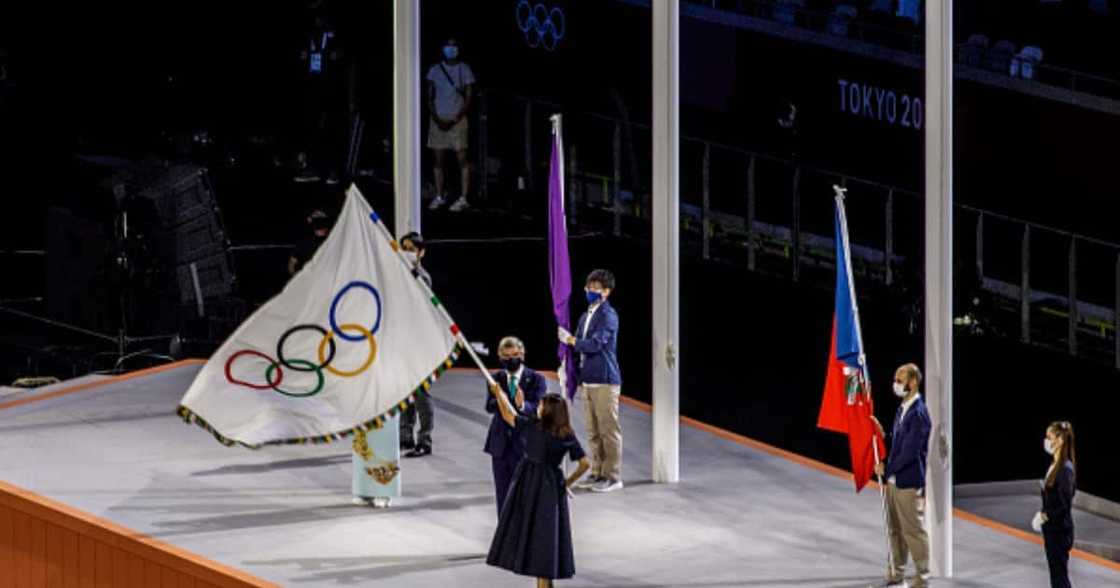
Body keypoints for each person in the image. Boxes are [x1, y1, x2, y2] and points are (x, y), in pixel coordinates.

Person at [486, 385, 590, 587]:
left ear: (547, 411)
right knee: (547, 539)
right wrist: (566, 482)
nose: (538, 407)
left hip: (529, 484)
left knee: (534, 537)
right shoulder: (566, 433)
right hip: (552, 487)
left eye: (541, 405)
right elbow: (586, 463)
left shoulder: (533, 426)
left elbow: (508, 415)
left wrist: (498, 393)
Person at [558, 269, 623, 493]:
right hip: (588, 380)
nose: (590, 290)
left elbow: (595, 345)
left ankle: (612, 476)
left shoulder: (608, 316)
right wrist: (566, 366)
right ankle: (597, 472)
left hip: (605, 380)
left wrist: (572, 340)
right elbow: (576, 346)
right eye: (589, 286)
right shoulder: (586, 316)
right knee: (593, 431)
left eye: (596, 288)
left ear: (607, 292)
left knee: (608, 431)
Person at [872, 363, 932, 588]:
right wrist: (882, 434)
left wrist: (886, 469)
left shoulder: (918, 414)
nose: (896, 384)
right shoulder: (902, 409)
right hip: (894, 482)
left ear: (913, 382)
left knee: (913, 530)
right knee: (895, 528)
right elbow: (898, 444)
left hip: (908, 482)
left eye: (900, 379)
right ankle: (896, 572)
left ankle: (921, 577)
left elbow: (909, 451)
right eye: (896, 379)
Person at [485, 336, 547, 515]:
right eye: (505, 356)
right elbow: (489, 406)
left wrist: (522, 405)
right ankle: (504, 538)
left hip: (525, 445)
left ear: (522, 354)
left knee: (525, 495)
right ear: (499, 356)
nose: (510, 359)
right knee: (502, 496)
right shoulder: (495, 378)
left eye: (514, 355)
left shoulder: (536, 379)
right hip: (500, 445)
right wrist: (499, 396)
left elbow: (538, 408)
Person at [295, 9, 346, 184]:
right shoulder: (310, 36)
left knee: (331, 130)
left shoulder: (334, 37)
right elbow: (304, 58)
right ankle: (312, 168)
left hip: (331, 90)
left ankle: (334, 171)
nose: (317, 20)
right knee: (312, 129)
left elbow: (341, 58)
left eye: (319, 17)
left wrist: (336, 56)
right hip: (313, 88)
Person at [425, 38, 475, 213]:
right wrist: (437, 119)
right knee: (438, 161)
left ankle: (463, 197)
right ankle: (439, 195)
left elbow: (469, 97)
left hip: (458, 120)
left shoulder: (464, 69)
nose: (451, 49)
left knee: (462, 159)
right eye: (448, 45)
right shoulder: (434, 70)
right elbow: (429, 97)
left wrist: (457, 117)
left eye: (454, 45)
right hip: (438, 119)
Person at [399, 231, 435, 456]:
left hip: (419, 345)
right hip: (401, 343)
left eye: (411, 249)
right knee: (405, 393)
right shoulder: (398, 275)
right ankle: (405, 436)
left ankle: (425, 439)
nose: (406, 252)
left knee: (421, 395)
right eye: (403, 248)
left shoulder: (422, 276)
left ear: (421, 252)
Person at [1033, 421, 1076, 588]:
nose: (1046, 441)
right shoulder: (1055, 465)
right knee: (1056, 575)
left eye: (1049, 437)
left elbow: (1064, 504)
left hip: (1059, 531)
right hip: (1052, 529)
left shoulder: (1065, 469)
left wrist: (1045, 516)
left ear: (1060, 440)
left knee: (1060, 577)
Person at [288, 210, 330, 276]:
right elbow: (292, 264)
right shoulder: (304, 244)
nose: (322, 228)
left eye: (324, 224)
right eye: (318, 224)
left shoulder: (331, 240)